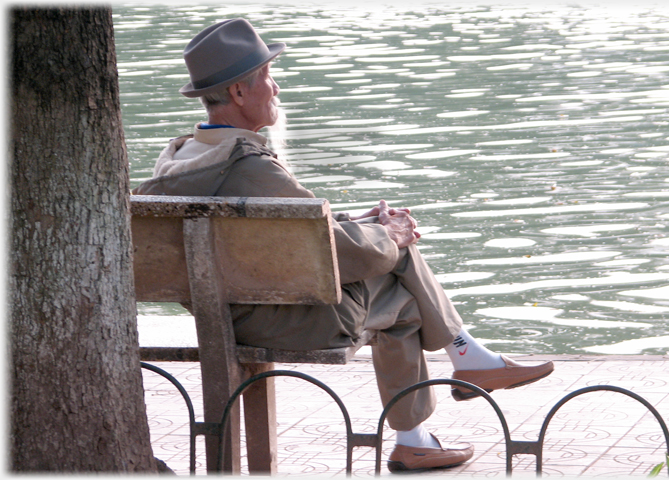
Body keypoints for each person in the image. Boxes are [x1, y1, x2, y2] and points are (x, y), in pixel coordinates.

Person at [132, 18, 554, 473]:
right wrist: (389, 234)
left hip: (229, 310)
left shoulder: (181, 158)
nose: (275, 89)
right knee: (403, 284)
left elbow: (297, 230)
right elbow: (335, 254)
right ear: (238, 93)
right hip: (281, 322)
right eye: (268, 78)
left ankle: (455, 379)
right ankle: (455, 375)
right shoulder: (249, 165)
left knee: (391, 255)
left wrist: (367, 223)